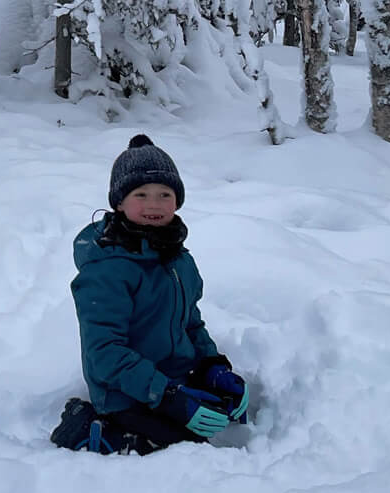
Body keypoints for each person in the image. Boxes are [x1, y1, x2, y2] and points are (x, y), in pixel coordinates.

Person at [52, 134, 248, 454]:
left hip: (172, 379)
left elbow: (190, 323)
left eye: (164, 194)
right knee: (186, 447)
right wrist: (167, 396)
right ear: (119, 202)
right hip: (124, 392)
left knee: (224, 414)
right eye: (141, 194)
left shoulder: (178, 261)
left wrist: (213, 366)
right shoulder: (106, 271)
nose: (154, 205)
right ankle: (90, 429)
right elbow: (105, 354)